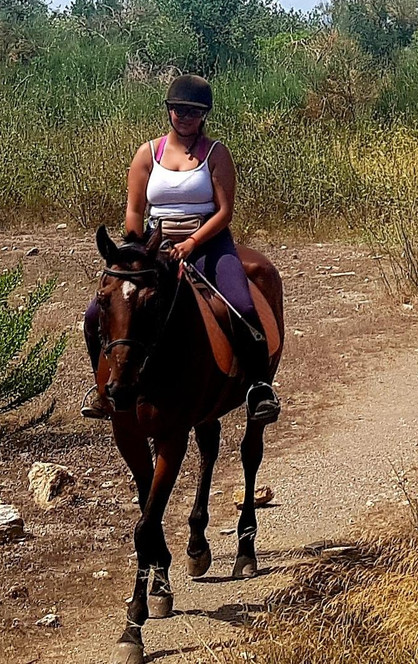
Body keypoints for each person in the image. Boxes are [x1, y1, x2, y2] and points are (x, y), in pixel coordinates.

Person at [81, 74, 280, 424]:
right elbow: (135, 208)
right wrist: (135, 244)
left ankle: (259, 387)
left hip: (207, 241)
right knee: (96, 312)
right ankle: (102, 388)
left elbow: (224, 211)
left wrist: (191, 242)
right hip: (154, 246)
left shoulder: (216, 154)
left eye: (193, 111)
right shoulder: (148, 153)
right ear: (168, 110)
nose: (184, 117)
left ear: (204, 115)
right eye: (178, 110)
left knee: (241, 305)